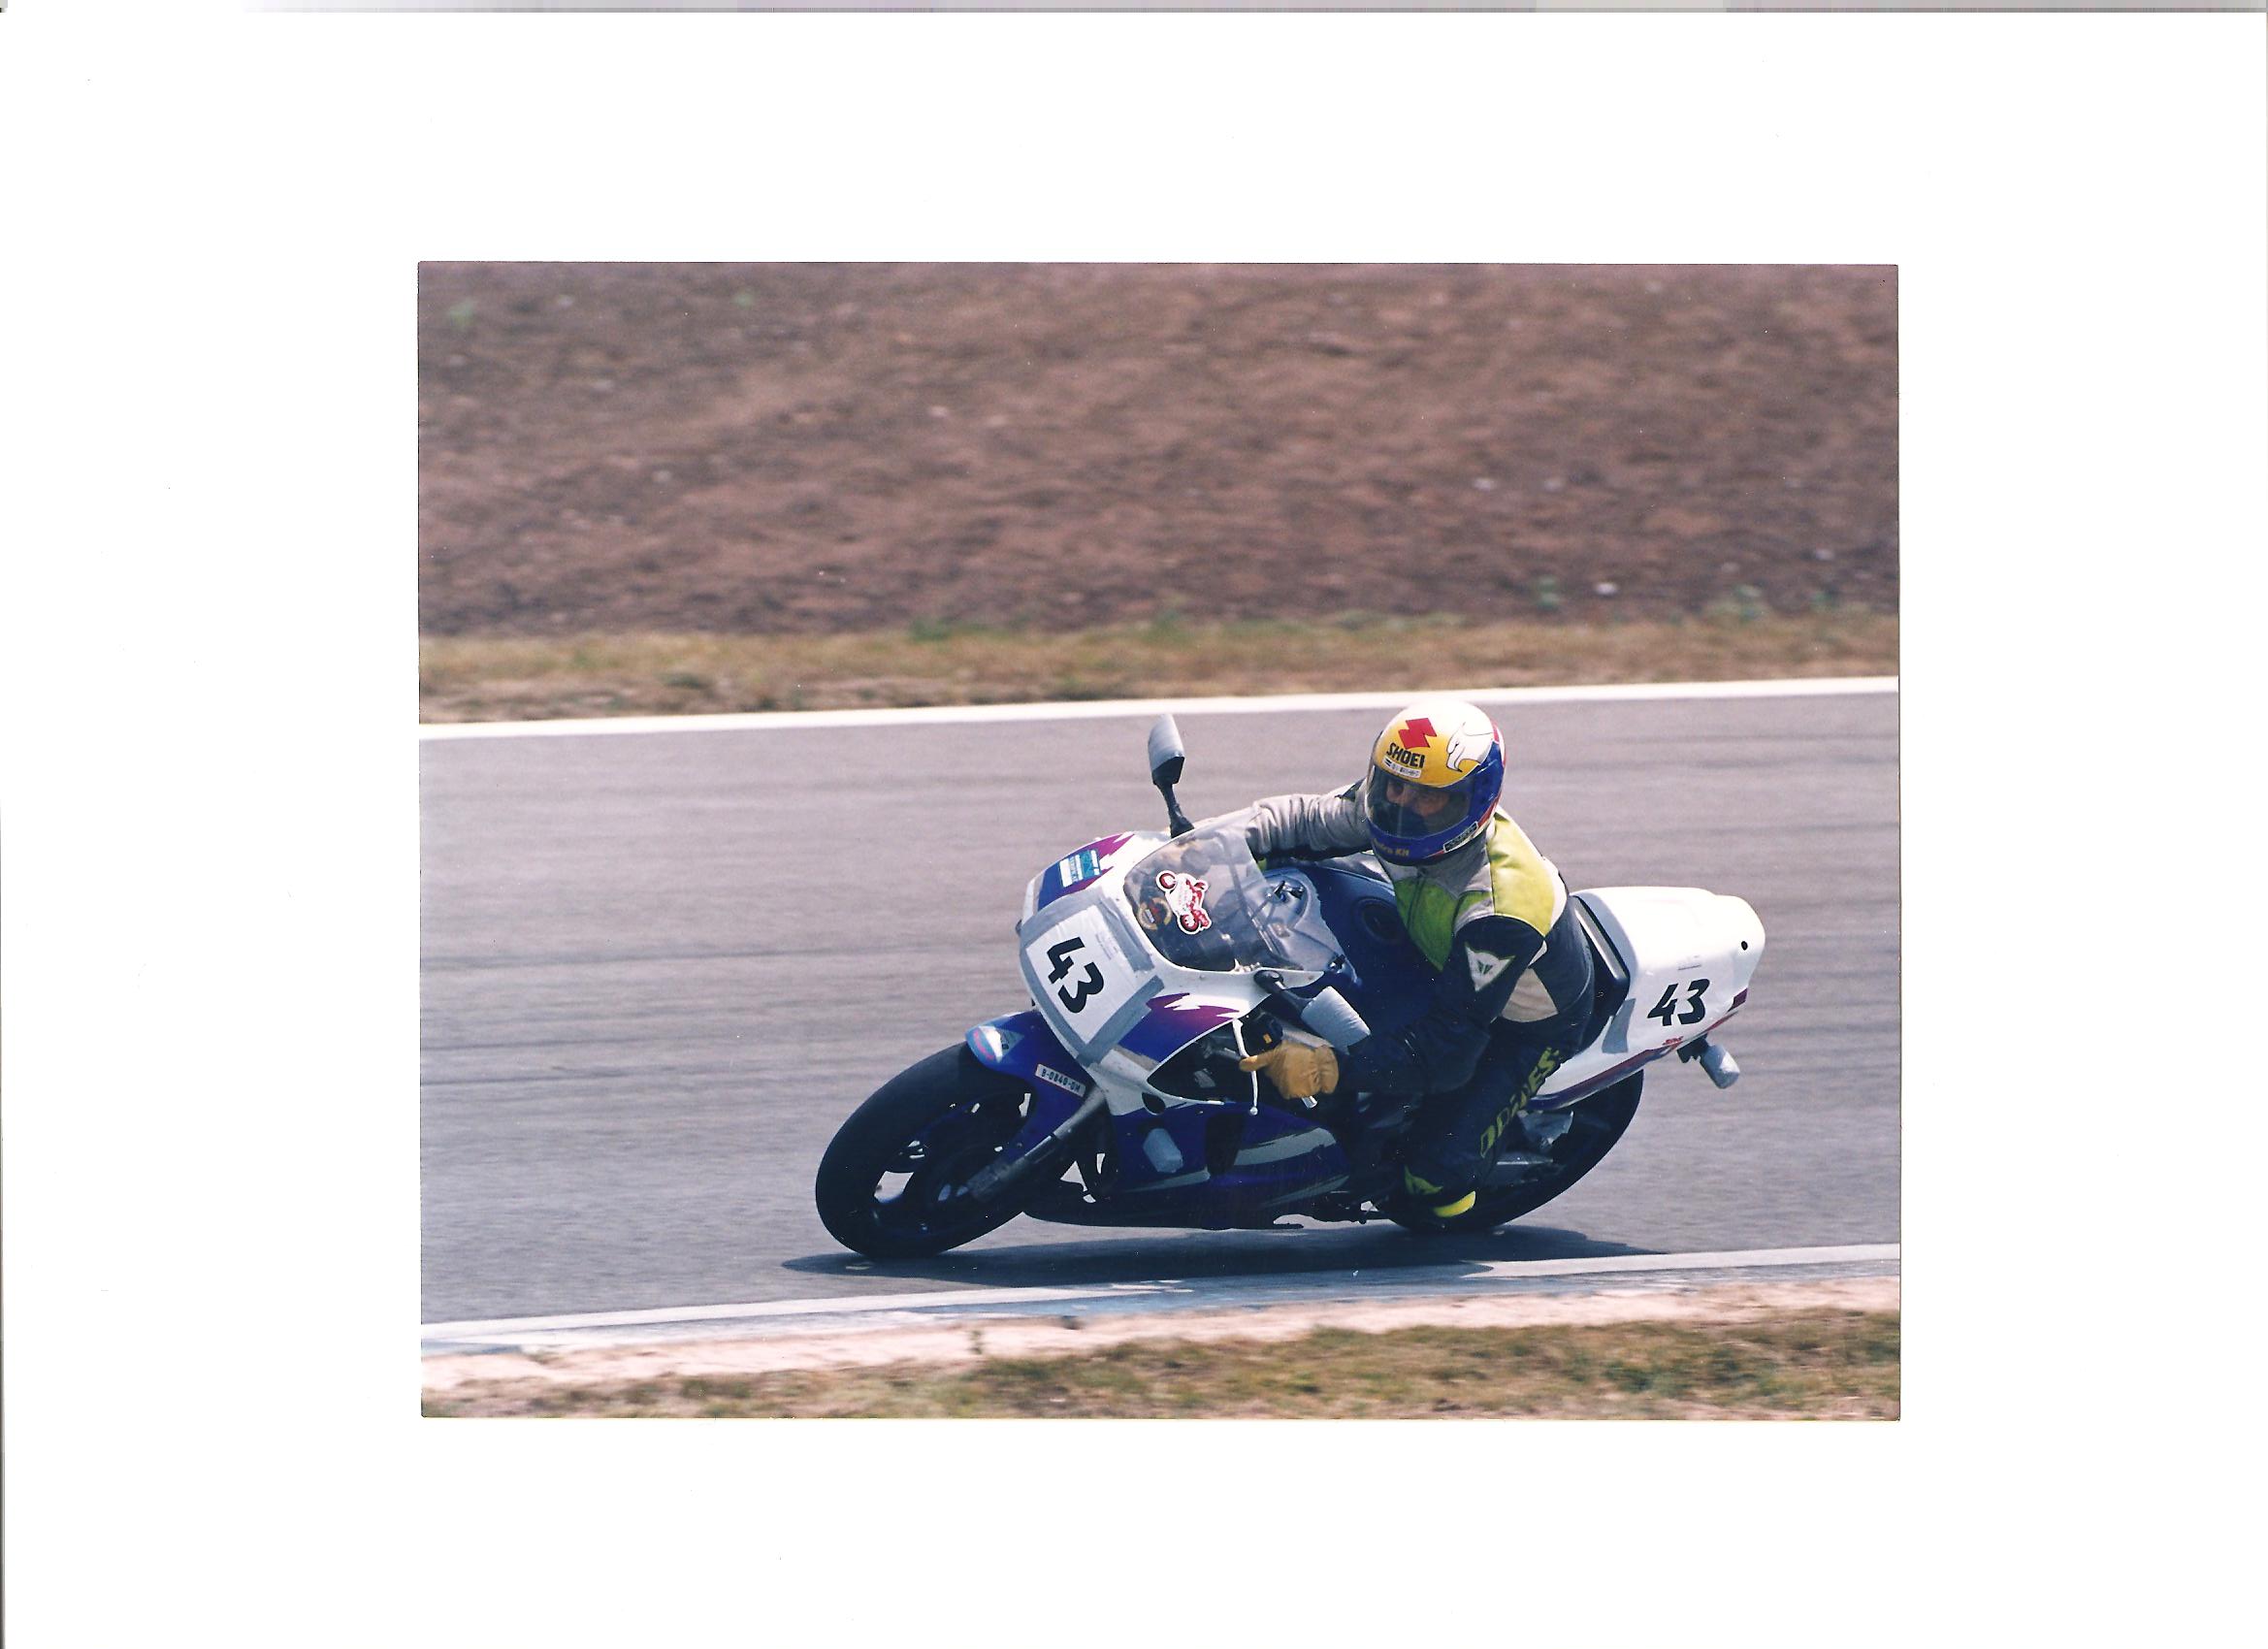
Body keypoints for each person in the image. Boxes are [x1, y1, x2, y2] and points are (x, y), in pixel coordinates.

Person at [1223, 696, 1595, 1220]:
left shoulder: (1500, 908)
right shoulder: (1385, 807)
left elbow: (1447, 1051)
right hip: (1434, 949)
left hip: (1522, 1022)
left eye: (1427, 796)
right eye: (1393, 785)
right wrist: (1209, 845)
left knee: (1432, 1181)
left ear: (1473, 801)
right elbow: (1300, 820)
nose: (1401, 806)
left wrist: (1327, 1067)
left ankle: (1453, 1190)